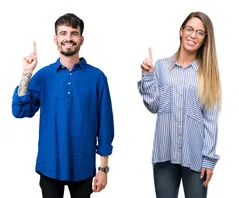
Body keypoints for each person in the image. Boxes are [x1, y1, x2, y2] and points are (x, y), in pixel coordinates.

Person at [12, 13, 114, 198]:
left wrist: (103, 168)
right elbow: (20, 111)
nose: (68, 38)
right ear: (55, 39)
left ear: (81, 39)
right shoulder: (43, 76)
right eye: (63, 33)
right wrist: (27, 73)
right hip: (50, 165)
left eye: (74, 33)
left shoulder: (97, 77)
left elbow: (105, 125)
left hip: (83, 167)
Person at [137, 11, 221, 198]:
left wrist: (208, 160)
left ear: (205, 39)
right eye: (190, 29)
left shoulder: (208, 74)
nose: (193, 35)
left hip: (195, 158)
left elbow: (211, 120)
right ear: (181, 31)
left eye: (200, 32)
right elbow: (153, 106)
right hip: (164, 154)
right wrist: (148, 75)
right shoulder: (161, 66)